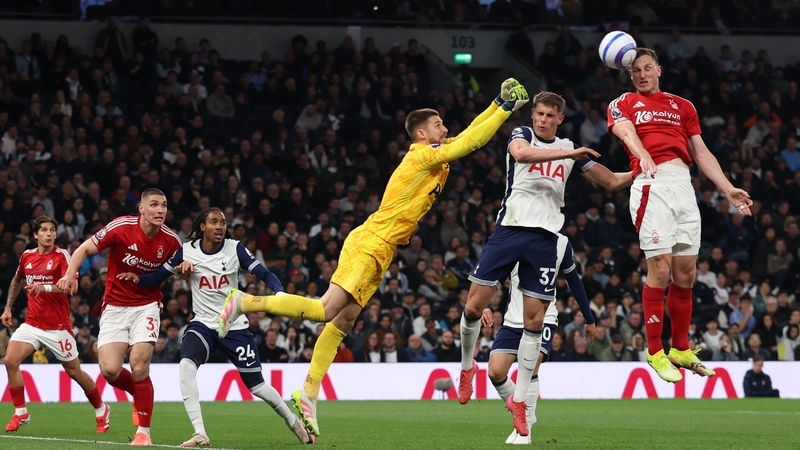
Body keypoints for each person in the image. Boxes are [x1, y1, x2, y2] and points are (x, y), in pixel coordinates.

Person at [217, 79, 532, 437]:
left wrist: (498, 101)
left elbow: (468, 134)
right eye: (438, 124)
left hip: (382, 249)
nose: (445, 128)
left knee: (343, 323)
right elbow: (472, 141)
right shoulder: (421, 155)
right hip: (371, 241)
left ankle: (307, 393)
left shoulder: (434, 153)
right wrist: (507, 110)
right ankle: (244, 301)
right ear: (420, 133)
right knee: (325, 310)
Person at [458, 91, 631, 437]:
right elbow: (520, 155)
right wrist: (571, 153)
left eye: (550, 115)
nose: (542, 119)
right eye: (539, 113)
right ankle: (466, 369)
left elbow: (611, 180)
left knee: (534, 321)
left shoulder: (569, 149)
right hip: (510, 229)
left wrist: (646, 171)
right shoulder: (523, 135)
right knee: (474, 306)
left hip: (544, 239)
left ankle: (521, 403)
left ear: (560, 119)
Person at [607, 48, 753, 383]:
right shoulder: (624, 102)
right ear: (630, 76)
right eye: (635, 71)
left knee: (686, 274)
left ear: (658, 69)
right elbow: (625, 131)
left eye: (647, 68)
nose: (642, 74)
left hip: (683, 186)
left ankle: (681, 349)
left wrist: (727, 188)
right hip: (650, 184)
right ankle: (655, 351)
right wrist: (643, 154)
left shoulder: (682, 106)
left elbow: (700, 151)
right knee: (660, 269)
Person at [116, 208, 313, 446]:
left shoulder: (235, 248)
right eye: (214, 222)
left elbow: (264, 273)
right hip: (203, 325)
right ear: (202, 227)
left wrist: (280, 292)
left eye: (223, 223)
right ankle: (200, 433)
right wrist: (138, 278)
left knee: (257, 386)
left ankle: (292, 421)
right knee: (186, 366)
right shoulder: (186, 251)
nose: (220, 226)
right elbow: (157, 277)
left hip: (235, 325)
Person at [55, 188, 182, 446]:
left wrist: (187, 270)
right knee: (110, 371)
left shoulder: (171, 241)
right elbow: (82, 249)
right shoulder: (121, 227)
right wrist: (69, 275)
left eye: (164, 206)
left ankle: (143, 433)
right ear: (142, 209)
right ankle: (140, 394)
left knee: (138, 365)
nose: (160, 210)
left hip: (147, 305)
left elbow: (184, 269)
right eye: (155, 205)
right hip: (114, 306)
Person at [2, 216, 110, 433]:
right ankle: (21, 412)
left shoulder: (62, 256)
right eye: (44, 230)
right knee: (10, 360)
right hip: (32, 323)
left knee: (74, 372)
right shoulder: (27, 256)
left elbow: (74, 287)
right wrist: (7, 308)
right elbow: (17, 280)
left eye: (52, 230)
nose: (49, 233)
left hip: (58, 327)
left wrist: (47, 288)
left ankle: (101, 408)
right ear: (35, 235)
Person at [487, 257, 595, 444]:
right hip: (513, 321)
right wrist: (486, 306)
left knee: (529, 365)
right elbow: (492, 275)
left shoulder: (560, 242)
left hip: (543, 317)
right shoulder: (513, 240)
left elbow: (574, 281)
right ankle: (526, 412)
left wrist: (589, 317)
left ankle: (525, 428)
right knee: (495, 372)